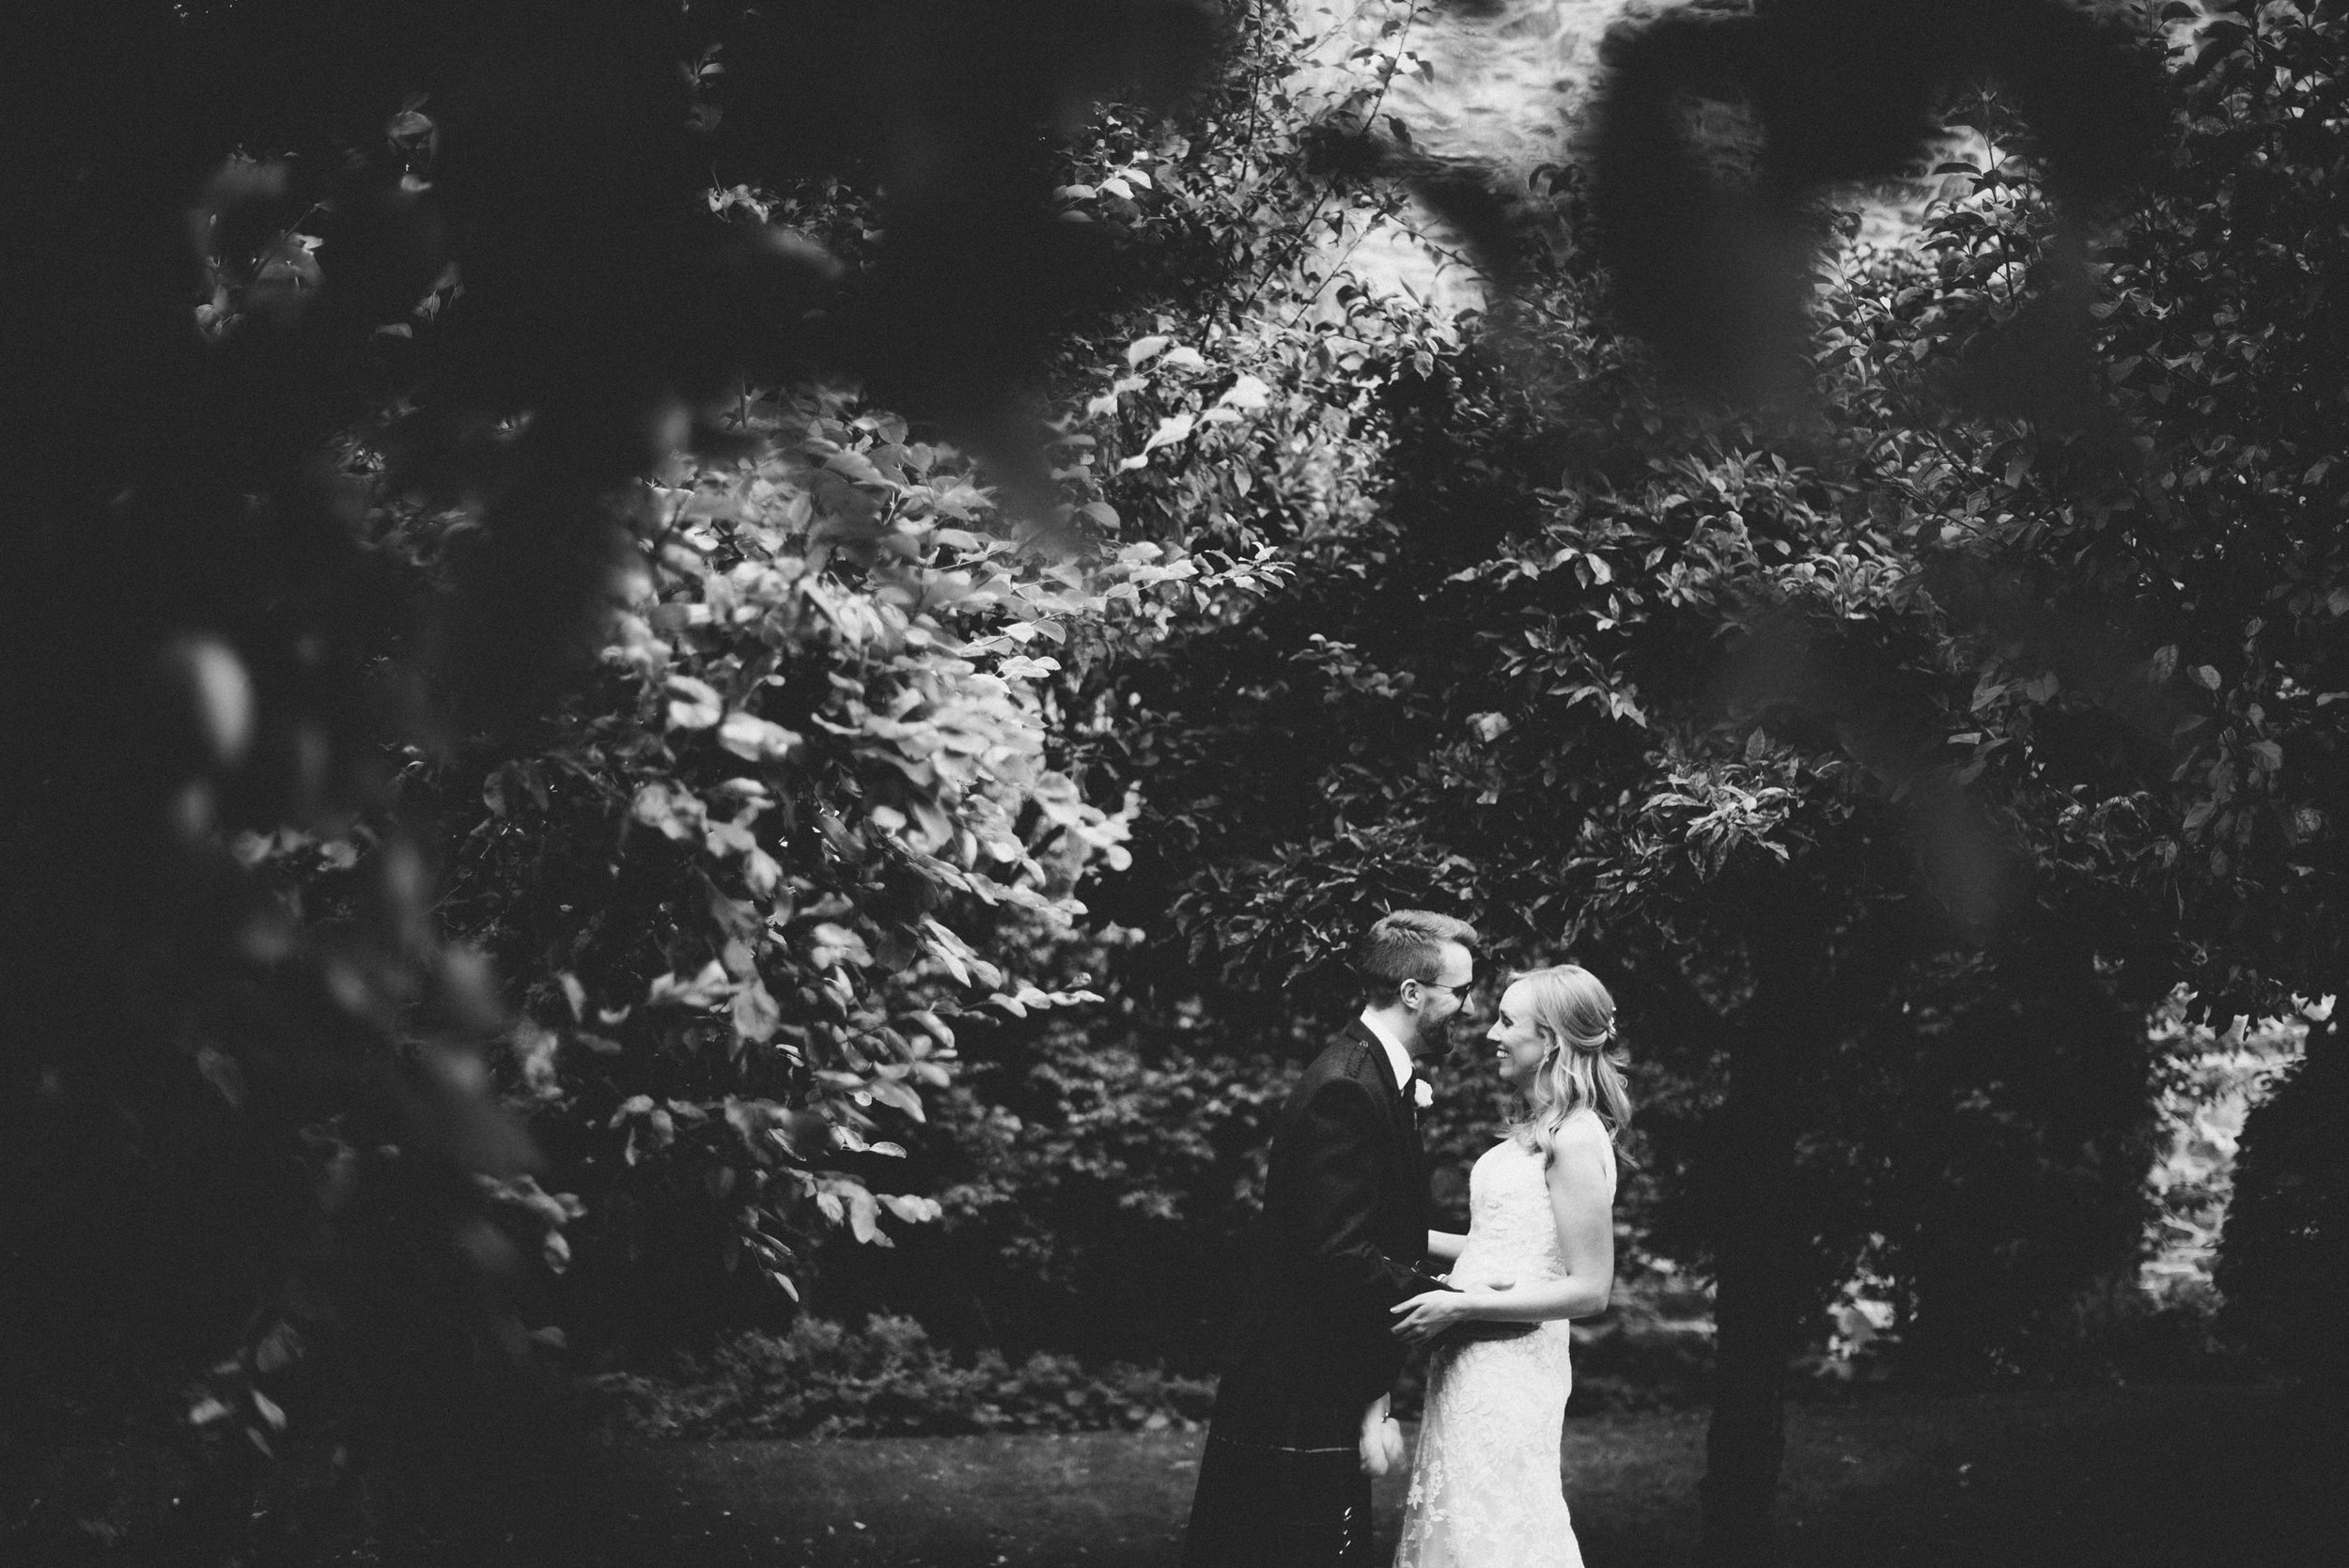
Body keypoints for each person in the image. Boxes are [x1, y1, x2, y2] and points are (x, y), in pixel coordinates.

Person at [1180, 910, 1478, 1568]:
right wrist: (1455, 1303)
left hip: (1320, 1365)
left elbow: (1374, 1227)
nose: (1470, 1007)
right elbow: (1337, 1253)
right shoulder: (1346, 1086)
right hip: (1296, 1375)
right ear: (1412, 992)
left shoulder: (1372, 1074)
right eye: (1460, 991)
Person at [1389, 964, 1628, 1568]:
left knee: (1500, 1523)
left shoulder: (1575, 1137)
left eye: (1506, 1021)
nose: (1491, 1033)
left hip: (1514, 1364)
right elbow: (1495, 1244)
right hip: (1472, 1360)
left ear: (1550, 1040)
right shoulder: (1535, 1132)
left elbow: (1590, 1289)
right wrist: (1392, 1234)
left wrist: (1465, 1304)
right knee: (1460, 1521)